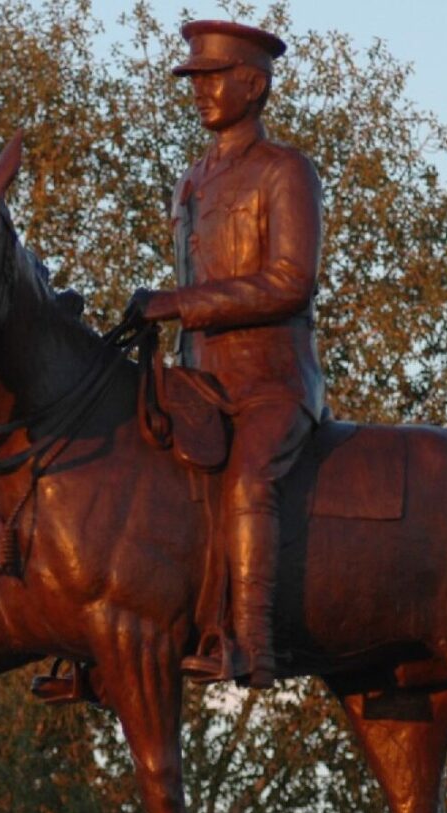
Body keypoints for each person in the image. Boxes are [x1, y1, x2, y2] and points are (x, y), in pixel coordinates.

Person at [129, 19, 325, 689]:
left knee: (248, 481)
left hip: (271, 384)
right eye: (195, 81)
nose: (201, 92)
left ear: (255, 85)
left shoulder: (286, 171)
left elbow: (292, 282)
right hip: (199, 383)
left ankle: (252, 645)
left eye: (213, 79)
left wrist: (180, 304)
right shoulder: (191, 181)